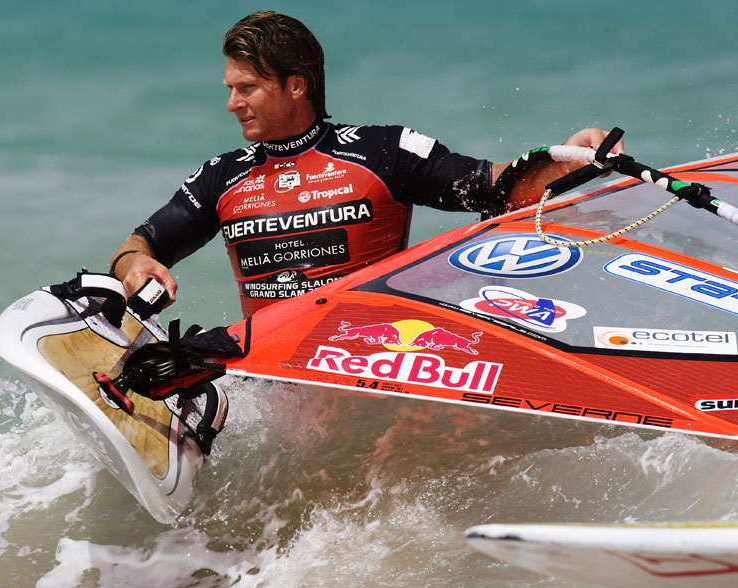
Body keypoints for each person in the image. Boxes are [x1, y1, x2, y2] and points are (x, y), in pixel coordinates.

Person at [106, 11, 624, 452]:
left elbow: (496, 190)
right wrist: (137, 264)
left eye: (247, 89)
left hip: (369, 379)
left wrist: (571, 157)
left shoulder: (383, 153)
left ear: (296, 85)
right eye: (230, 89)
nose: (232, 103)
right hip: (272, 383)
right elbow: (140, 244)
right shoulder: (222, 177)